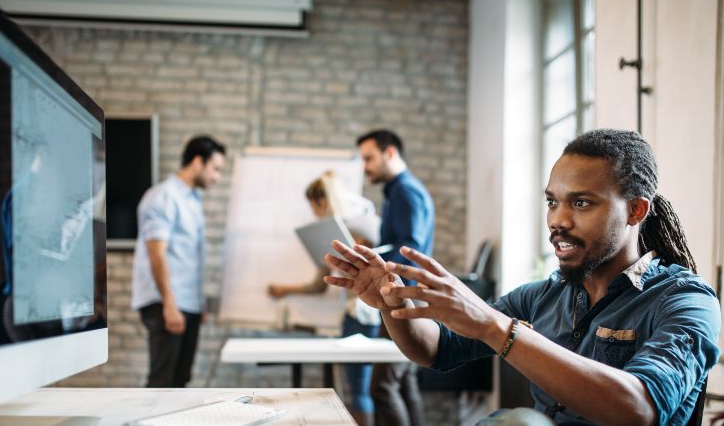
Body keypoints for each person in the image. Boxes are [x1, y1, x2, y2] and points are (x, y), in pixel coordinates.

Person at [324, 129, 721, 425]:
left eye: (581, 203)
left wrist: (498, 329)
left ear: (635, 211)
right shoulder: (545, 294)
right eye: (552, 202)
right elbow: (438, 350)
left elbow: (638, 407)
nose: (558, 221)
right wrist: (394, 304)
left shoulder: (685, 301)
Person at [267, 170, 381, 426]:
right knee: (356, 389)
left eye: (314, 206)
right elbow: (318, 286)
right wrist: (284, 290)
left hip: (363, 314)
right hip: (353, 314)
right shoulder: (332, 235)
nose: (314, 213)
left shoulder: (363, 226)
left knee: (360, 389)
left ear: (323, 201)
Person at [131, 135, 226, 388]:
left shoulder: (192, 200)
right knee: (163, 380)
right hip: (166, 302)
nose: (217, 177)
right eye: (215, 169)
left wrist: (198, 303)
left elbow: (187, 257)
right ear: (198, 162)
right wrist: (170, 305)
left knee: (180, 381)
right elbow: (156, 253)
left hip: (188, 302)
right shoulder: (163, 196)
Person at [356, 129, 434, 426]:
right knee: (402, 384)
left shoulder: (404, 191)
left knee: (382, 386)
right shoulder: (398, 191)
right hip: (406, 299)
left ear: (390, 153)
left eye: (369, 158)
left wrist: (374, 267)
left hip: (403, 301)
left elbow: (409, 249)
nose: (365, 167)